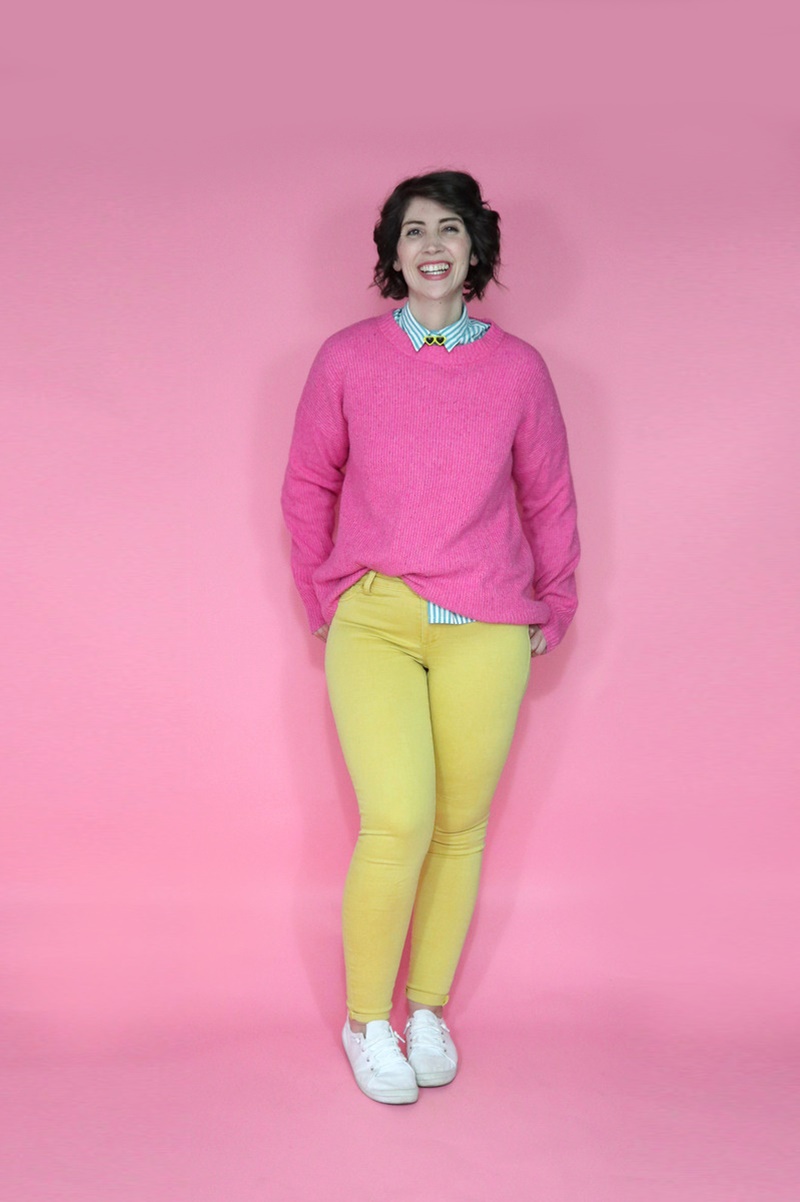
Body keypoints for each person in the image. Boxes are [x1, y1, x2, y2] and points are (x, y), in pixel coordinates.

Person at [281, 170, 579, 1104]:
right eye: (413, 232)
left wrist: (556, 598)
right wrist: (322, 595)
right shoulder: (347, 359)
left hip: (485, 621)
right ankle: (367, 1020)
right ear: (394, 254)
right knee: (398, 819)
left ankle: (427, 1009)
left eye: (449, 229)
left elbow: (548, 493)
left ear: (474, 247)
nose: (432, 246)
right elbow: (308, 484)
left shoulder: (518, 369)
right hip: (375, 616)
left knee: (458, 828)